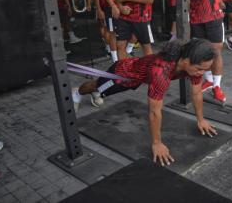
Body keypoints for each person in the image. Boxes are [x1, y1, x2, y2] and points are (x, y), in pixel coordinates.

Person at [72, 39, 218, 166]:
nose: (202, 73)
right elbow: (154, 111)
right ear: (186, 60)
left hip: (140, 77)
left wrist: (201, 119)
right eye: (200, 69)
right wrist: (157, 143)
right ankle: (77, 92)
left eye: (205, 70)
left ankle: (96, 93)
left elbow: (197, 92)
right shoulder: (161, 72)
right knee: (96, 86)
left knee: (100, 90)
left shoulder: (192, 66)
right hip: (121, 75)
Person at [173, 0, 226, 103]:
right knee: (200, 53)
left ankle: (216, 86)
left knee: (215, 53)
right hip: (195, 19)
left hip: (213, 17)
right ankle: (208, 80)